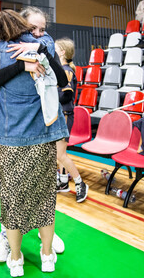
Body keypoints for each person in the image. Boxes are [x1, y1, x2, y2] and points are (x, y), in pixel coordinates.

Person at [0, 10, 69, 276]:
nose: (39, 33)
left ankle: (45, 241)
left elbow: (62, 81)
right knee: (12, 194)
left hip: (41, 127)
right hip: (9, 130)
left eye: (43, 29)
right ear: (20, 26)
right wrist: (22, 63)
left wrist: (41, 48)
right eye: (34, 29)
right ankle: (8, 238)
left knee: (40, 192)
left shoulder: (45, 44)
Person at [55, 38, 89, 203]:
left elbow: (66, 94)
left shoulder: (66, 70)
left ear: (62, 52)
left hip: (65, 113)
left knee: (60, 154)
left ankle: (80, 183)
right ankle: (62, 182)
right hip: (60, 114)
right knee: (58, 153)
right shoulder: (62, 68)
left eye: (57, 47)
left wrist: (49, 96)